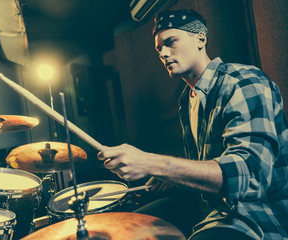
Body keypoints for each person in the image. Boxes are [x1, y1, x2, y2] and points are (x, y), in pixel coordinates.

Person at [97, 9, 288, 240]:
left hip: (258, 219)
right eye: (159, 48)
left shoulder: (242, 82)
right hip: (212, 212)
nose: (163, 53)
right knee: (126, 227)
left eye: (171, 42)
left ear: (200, 38)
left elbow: (250, 176)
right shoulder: (188, 101)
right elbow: (210, 168)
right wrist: (174, 178)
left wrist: (153, 164)